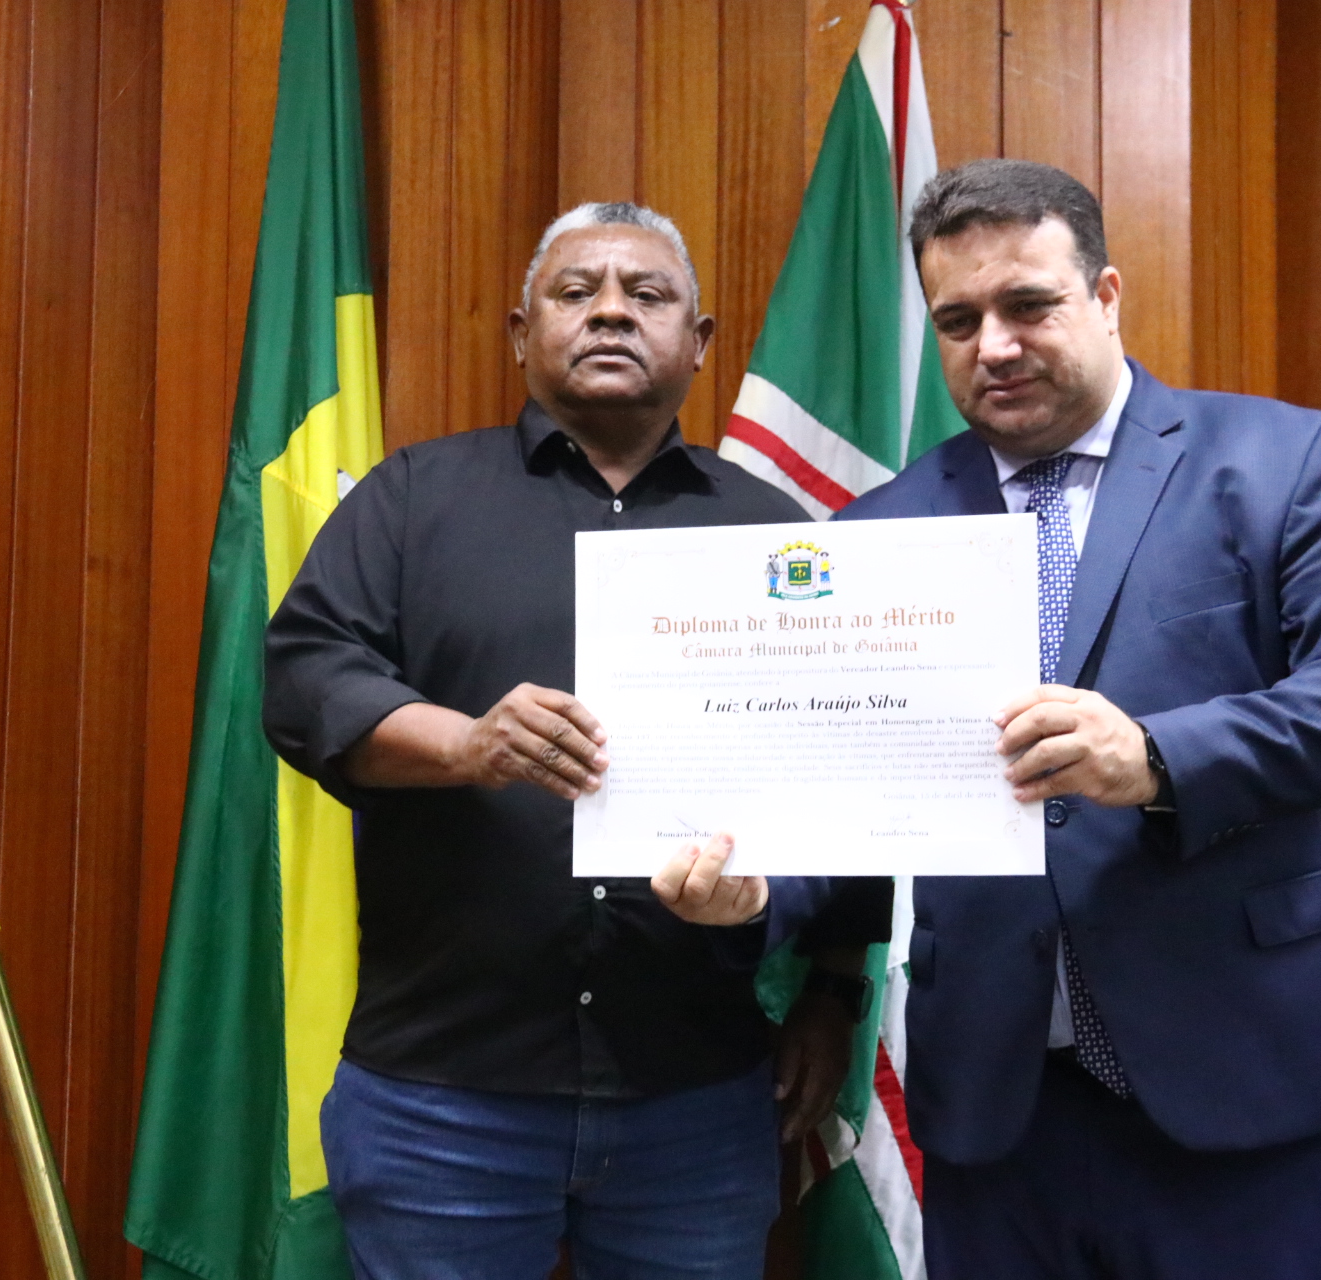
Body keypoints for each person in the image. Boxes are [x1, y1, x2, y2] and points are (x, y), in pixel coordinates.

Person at [655, 159, 1321, 1279]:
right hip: (1000, 1114)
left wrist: (1156, 755)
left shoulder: (1281, 460)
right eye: (958, 320)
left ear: (1106, 296)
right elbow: (855, 804)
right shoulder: (877, 534)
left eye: (1029, 305)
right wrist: (760, 894)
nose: (995, 345)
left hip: (1247, 1079)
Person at [262, 201, 891, 1280]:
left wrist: (832, 996)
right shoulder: (413, 499)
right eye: (575, 291)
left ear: (699, 341)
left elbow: (845, 775)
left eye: (646, 295)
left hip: (695, 1096)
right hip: (443, 1092)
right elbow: (306, 678)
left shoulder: (776, 536)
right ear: (522, 333)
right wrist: (464, 745)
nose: (610, 311)